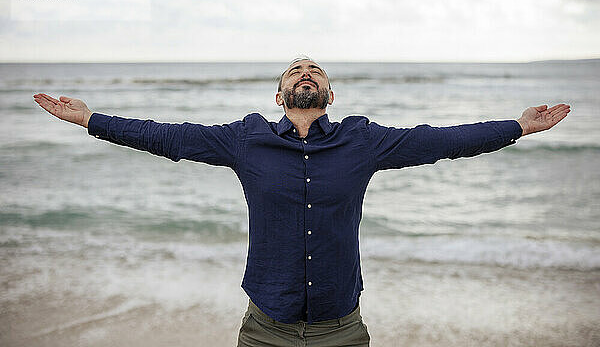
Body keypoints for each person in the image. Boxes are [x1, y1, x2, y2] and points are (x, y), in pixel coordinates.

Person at [33, 57, 570, 347]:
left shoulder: (362, 141)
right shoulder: (245, 140)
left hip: (343, 326)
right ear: (279, 94)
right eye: (294, 70)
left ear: (330, 95)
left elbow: (441, 141)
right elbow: (167, 135)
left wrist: (517, 127)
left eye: (315, 71)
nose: (305, 72)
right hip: (265, 325)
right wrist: (89, 120)